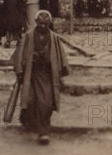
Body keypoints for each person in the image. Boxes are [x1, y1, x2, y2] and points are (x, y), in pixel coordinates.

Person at [13, 10, 70, 145]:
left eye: (46, 24)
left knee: (45, 103)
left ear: (49, 23)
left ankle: (43, 132)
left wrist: (60, 74)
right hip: (31, 74)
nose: (43, 26)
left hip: (47, 75)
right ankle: (27, 120)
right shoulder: (28, 36)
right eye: (40, 23)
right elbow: (18, 55)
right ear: (36, 22)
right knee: (31, 100)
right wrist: (20, 71)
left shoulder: (54, 38)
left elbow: (61, 58)